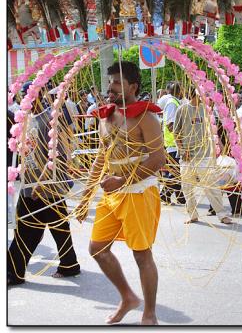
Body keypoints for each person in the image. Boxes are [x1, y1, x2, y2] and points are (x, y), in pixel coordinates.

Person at [76, 61, 166, 325]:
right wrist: (84, 199)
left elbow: (158, 159)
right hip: (112, 193)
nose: (110, 87)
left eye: (117, 82)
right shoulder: (106, 117)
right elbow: (101, 158)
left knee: (141, 254)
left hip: (138, 192)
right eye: (110, 82)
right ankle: (128, 297)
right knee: (97, 248)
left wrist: (123, 179)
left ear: (133, 86)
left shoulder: (146, 118)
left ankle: (149, 313)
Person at [8, 82, 80, 285]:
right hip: (32, 183)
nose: (26, 99)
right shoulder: (27, 120)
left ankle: (13, 272)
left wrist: (45, 182)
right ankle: (69, 264)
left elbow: (62, 152)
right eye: (23, 95)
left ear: (41, 95)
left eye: (29, 94)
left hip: (47, 184)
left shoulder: (52, 117)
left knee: (29, 228)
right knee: (57, 226)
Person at [173, 87, 232, 224]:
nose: (207, 98)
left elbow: (213, 132)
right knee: (187, 187)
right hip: (187, 156)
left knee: (211, 187)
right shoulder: (182, 110)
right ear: (196, 95)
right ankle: (192, 214)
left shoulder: (206, 110)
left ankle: (222, 215)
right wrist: (182, 150)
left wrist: (220, 149)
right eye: (204, 94)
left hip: (205, 154)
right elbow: (176, 133)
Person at [160, 82, 187, 205]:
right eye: (182, 89)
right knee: (177, 172)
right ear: (177, 91)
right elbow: (170, 125)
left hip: (175, 143)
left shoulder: (175, 102)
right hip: (174, 143)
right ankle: (165, 194)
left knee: (177, 172)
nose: (183, 92)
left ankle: (180, 197)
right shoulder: (172, 103)